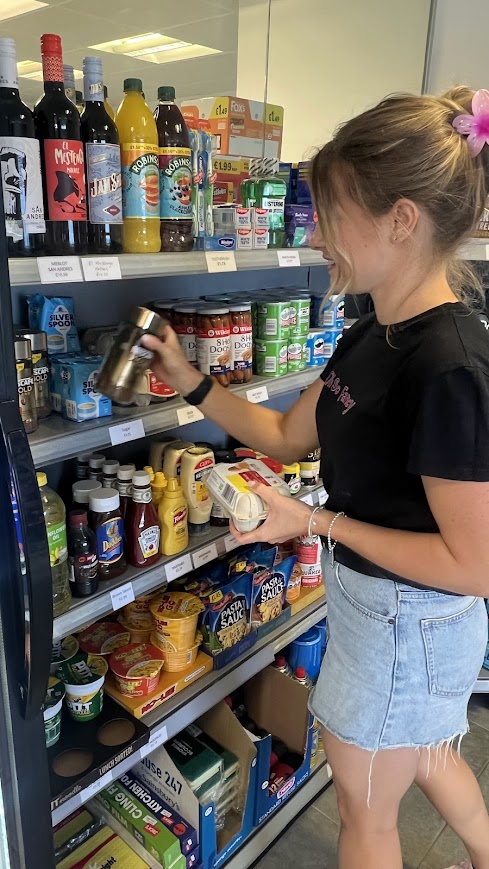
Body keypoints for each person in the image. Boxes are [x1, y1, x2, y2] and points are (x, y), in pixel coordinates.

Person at [144, 86, 489, 869]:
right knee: (429, 752)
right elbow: (282, 431)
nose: (317, 233)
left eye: (331, 212)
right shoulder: (373, 332)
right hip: (384, 611)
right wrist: (185, 376)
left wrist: (313, 523)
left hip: (410, 622)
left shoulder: (448, 368)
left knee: (363, 811)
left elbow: (477, 564)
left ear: (399, 220)